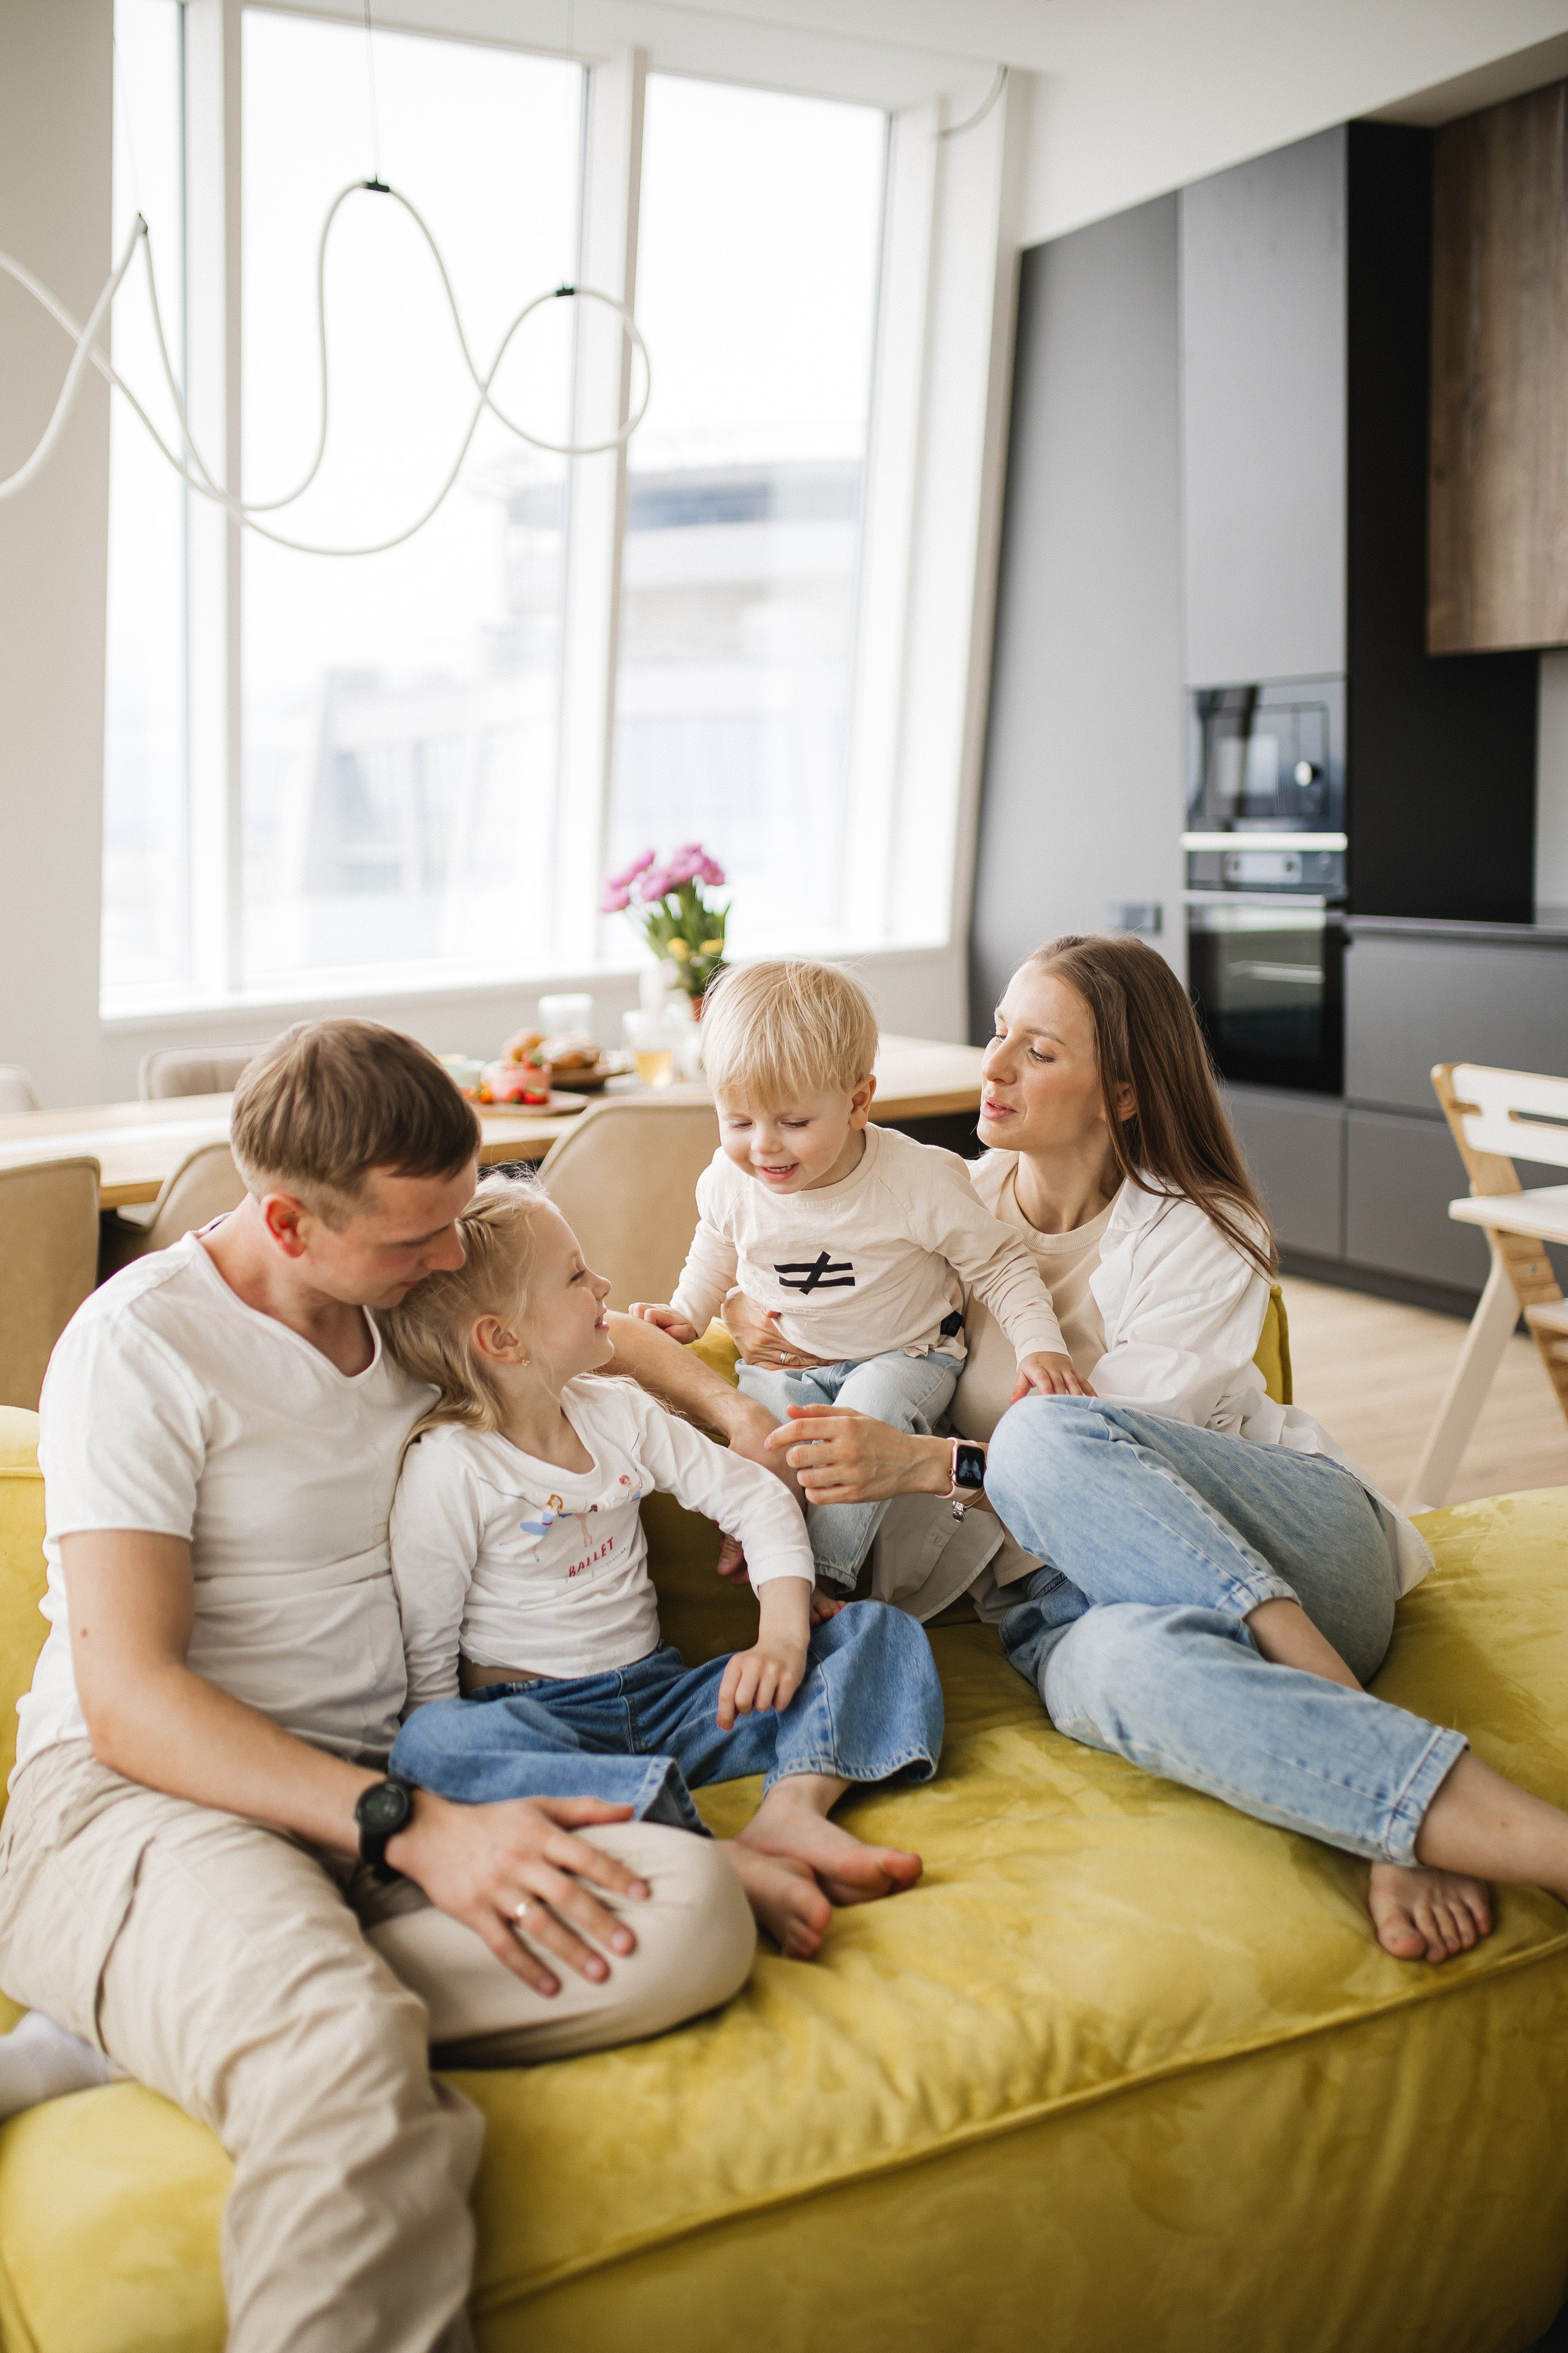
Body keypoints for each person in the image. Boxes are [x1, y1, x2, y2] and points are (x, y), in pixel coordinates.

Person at [0, 1018, 756, 2353]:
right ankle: (255, 2006)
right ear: (287, 1224)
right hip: (141, 1802)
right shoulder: (141, 1349)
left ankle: (154, 2019)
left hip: (376, 1789)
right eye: (417, 1237)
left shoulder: (397, 1310)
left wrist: (733, 1418)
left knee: (689, 1913)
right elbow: (128, 1697)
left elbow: (585, 1331)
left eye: (461, 1217)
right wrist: (417, 1828)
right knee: (341, 2055)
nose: (453, 1258)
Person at [617, 935, 1568, 1970]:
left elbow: (1092, 1465)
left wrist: (921, 1464)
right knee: (1104, 1678)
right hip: (1062, 1606)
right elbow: (801, 1261)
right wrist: (755, 1315)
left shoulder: (1202, 1231)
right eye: (997, 1037)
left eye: (1037, 1050)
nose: (994, 1068)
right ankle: (1423, 1816)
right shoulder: (943, 1198)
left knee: (1046, 1428)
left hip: (1291, 1548)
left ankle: (1378, 1728)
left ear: (1120, 1093)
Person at [378, 1177, 941, 1962]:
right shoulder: (451, 1467)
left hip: (668, 1700)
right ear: (503, 1340)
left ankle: (793, 1810)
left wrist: (779, 1636)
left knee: (876, 1632)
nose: (605, 1286)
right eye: (577, 1275)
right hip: (539, 1723)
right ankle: (709, 1856)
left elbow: (757, 1501)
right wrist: (459, 1768)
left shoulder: (619, 1411)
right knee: (433, 1742)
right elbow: (425, 1653)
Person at [629, 957, 1087, 1589]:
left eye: (793, 1123)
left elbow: (1001, 1262)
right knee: (767, 1448)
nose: (763, 1146)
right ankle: (763, 1542)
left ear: (857, 1101)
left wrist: (1040, 1344)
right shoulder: (732, 1179)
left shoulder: (915, 1182)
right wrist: (687, 1310)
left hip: (903, 1358)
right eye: (738, 1121)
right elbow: (716, 1243)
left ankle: (823, 1580)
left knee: (863, 1415)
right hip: (786, 1364)